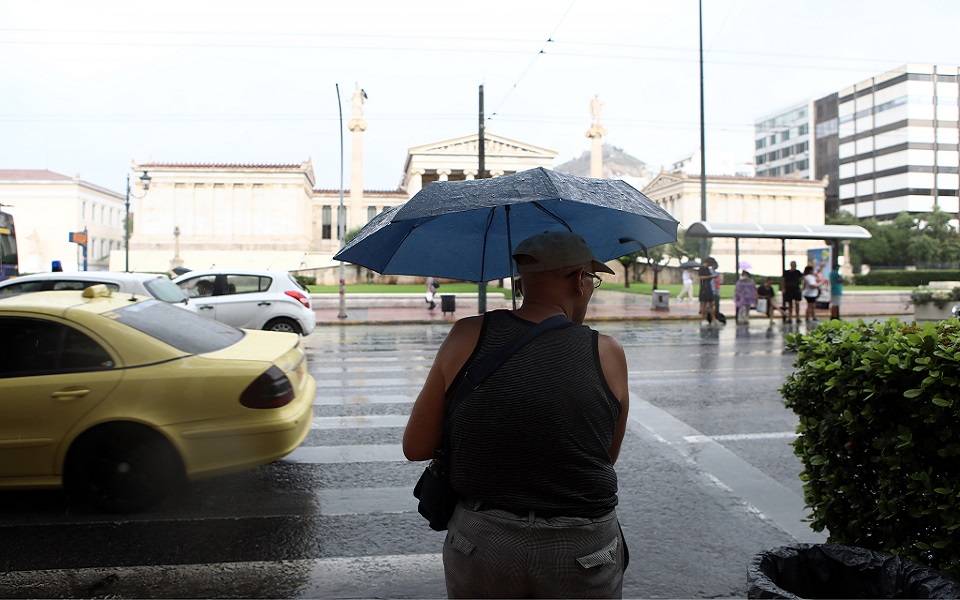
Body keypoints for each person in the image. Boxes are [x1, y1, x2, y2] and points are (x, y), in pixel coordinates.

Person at [403, 231, 629, 598]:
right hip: (581, 545)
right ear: (578, 279)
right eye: (592, 278)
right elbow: (605, 455)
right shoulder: (607, 351)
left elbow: (416, 447)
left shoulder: (466, 334)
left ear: (522, 283)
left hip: (481, 541)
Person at [698, 261, 717, 327]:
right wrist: (710, 276)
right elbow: (701, 277)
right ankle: (704, 319)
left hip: (709, 288)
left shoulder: (708, 269)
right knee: (704, 304)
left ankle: (714, 319)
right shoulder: (702, 268)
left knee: (711, 304)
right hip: (704, 288)